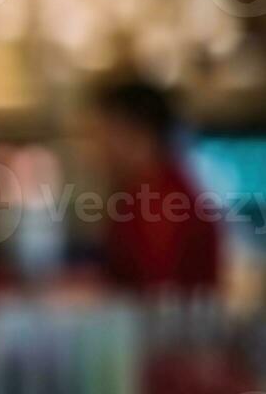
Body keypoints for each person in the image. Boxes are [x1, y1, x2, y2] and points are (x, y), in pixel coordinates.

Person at [86, 73, 221, 292]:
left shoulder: (162, 202)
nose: (93, 150)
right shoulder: (142, 194)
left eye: (99, 134)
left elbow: (158, 295)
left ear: (132, 133)